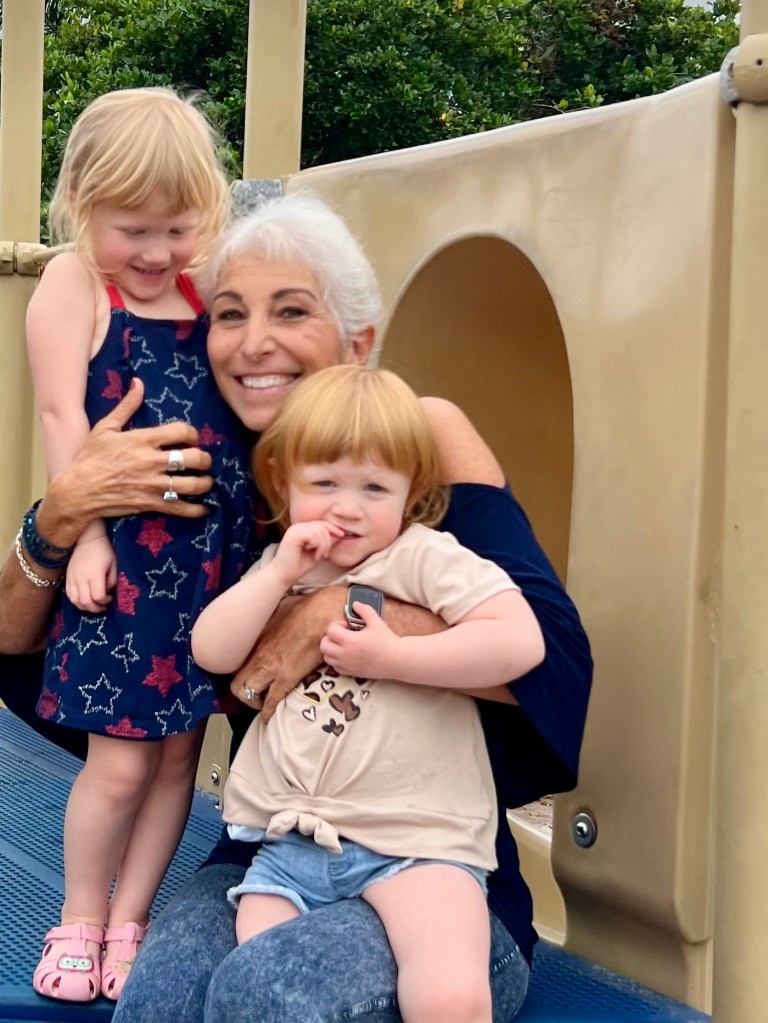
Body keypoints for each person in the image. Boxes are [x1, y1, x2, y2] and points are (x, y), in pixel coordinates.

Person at [0, 192, 592, 1022]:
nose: (254, 342)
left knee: (267, 993)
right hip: (273, 847)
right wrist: (64, 514)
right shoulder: (201, 464)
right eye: (229, 314)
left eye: (291, 311)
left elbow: (554, 659)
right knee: (160, 996)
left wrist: (335, 611)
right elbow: (14, 643)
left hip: (432, 865)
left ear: (358, 342)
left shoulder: (408, 445)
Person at [191, 365, 546, 1023]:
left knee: (447, 990)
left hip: (417, 842)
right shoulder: (284, 568)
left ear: (412, 494)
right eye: (324, 483)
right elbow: (212, 650)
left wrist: (396, 656)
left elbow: (521, 640)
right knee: (253, 986)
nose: (347, 507)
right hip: (291, 848)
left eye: (374, 487)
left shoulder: (425, 558)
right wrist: (278, 576)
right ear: (284, 484)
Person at [24, 87, 253, 1002]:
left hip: (205, 566)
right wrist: (81, 535)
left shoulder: (206, 285)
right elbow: (61, 414)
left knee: (176, 760)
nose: (158, 253)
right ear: (83, 205)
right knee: (119, 761)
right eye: (135, 231)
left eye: (178, 229)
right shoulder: (77, 285)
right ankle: (81, 913)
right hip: (125, 563)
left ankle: (133, 917)